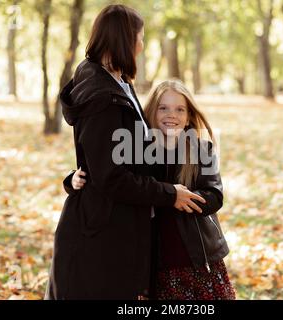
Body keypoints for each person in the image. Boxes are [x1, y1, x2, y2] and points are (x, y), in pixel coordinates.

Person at [44, 4, 205, 300]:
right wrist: (170, 194)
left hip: (116, 226)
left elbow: (114, 157)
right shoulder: (102, 97)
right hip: (100, 236)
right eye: (140, 38)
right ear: (125, 40)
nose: (142, 46)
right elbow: (111, 177)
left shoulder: (117, 83)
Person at [72, 79, 236, 300]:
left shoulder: (200, 150)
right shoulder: (137, 151)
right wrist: (72, 178)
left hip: (195, 258)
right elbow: (111, 177)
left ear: (188, 116)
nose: (172, 115)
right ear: (151, 112)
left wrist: (182, 198)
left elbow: (214, 196)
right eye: (163, 108)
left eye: (180, 109)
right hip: (155, 260)